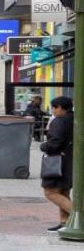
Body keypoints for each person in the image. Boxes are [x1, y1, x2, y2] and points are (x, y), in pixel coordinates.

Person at [40, 96, 74, 232]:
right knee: (64, 192)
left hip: (58, 161)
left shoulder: (60, 121)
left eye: (54, 108)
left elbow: (55, 142)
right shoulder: (74, 118)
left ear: (60, 107)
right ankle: (64, 222)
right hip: (71, 160)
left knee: (50, 192)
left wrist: (44, 146)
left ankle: (79, 216)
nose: (53, 111)